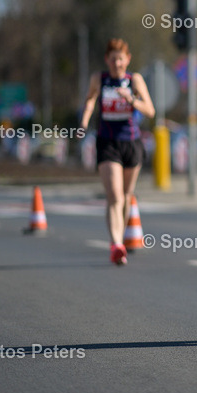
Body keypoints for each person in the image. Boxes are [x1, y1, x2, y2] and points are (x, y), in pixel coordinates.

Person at [79, 39, 155, 266]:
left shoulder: (135, 80)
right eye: (113, 59)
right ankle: (116, 244)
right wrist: (83, 122)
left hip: (131, 143)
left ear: (128, 59)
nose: (117, 63)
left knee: (126, 196)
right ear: (107, 60)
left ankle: (119, 239)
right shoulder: (99, 79)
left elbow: (150, 110)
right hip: (107, 142)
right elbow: (90, 100)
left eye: (120, 59)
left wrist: (130, 98)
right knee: (114, 194)